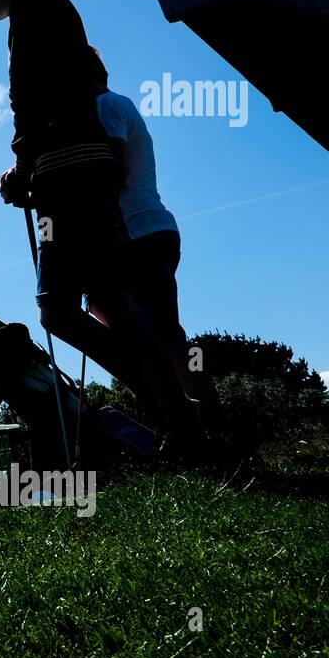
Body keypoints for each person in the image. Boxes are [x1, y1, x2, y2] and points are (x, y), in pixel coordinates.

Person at [0, 0, 201, 442]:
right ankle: (175, 412)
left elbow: (32, 100)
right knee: (106, 295)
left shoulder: (34, 4)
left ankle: (168, 404)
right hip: (76, 170)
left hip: (70, 172)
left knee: (58, 309)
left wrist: (24, 165)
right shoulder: (43, 8)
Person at [86, 48, 222, 440]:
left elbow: (113, 169)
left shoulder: (104, 105)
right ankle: (195, 422)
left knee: (163, 334)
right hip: (146, 228)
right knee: (157, 333)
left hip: (135, 231)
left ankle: (205, 424)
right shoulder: (113, 104)